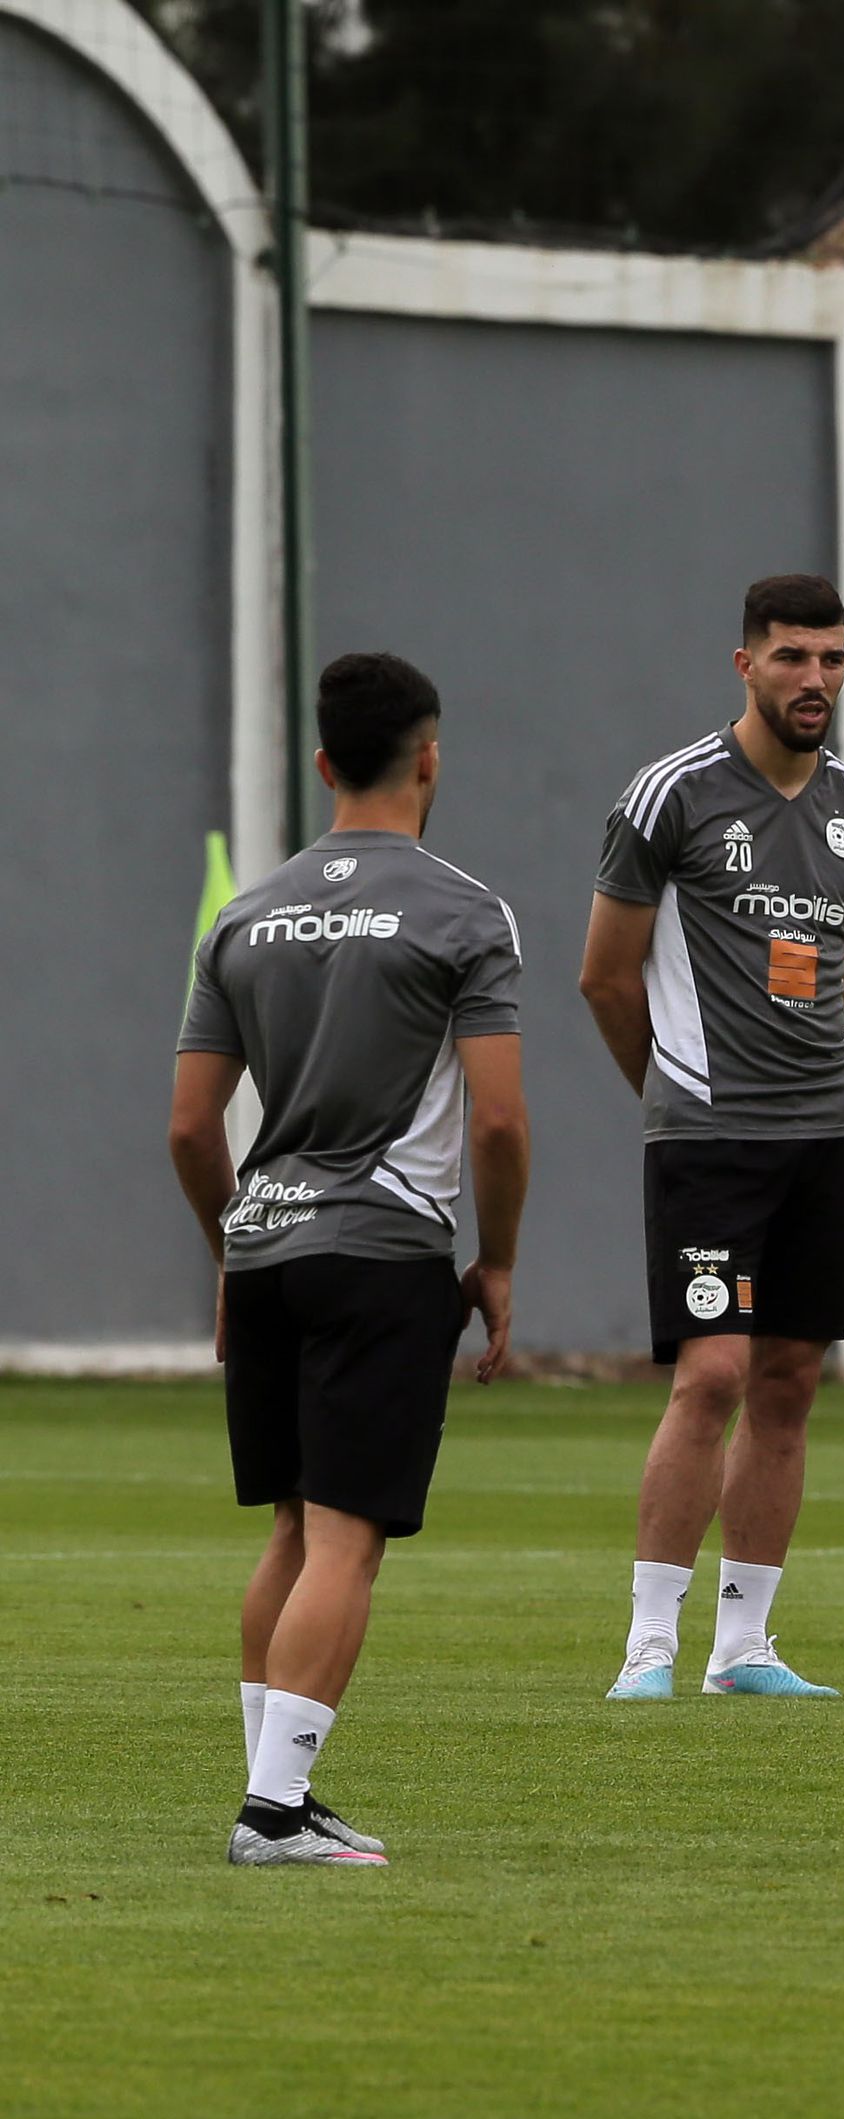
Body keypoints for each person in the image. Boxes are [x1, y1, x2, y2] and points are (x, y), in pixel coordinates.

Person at [169, 651, 529, 1865]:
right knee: (346, 1538)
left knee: (287, 1528)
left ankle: (277, 1791)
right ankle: (273, 1813)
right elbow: (497, 1119)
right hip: (381, 1249)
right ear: (431, 756)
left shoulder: (244, 915)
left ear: (324, 763)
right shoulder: (463, 910)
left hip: (265, 1244)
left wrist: (230, 1250)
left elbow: (185, 1124)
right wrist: (499, 1263)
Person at [581, 574, 844, 1700]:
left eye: (832, 659)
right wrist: (670, 1097)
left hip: (825, 1137)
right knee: (709, 1374)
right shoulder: (672, 797)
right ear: (746, 665)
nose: (814, 679)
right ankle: (649, 1647)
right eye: (793, 657)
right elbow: (603, 976)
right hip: (709, 1141)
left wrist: (796, 1078)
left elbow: (843, 992)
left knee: (791, 1382)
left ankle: (744, 1648)